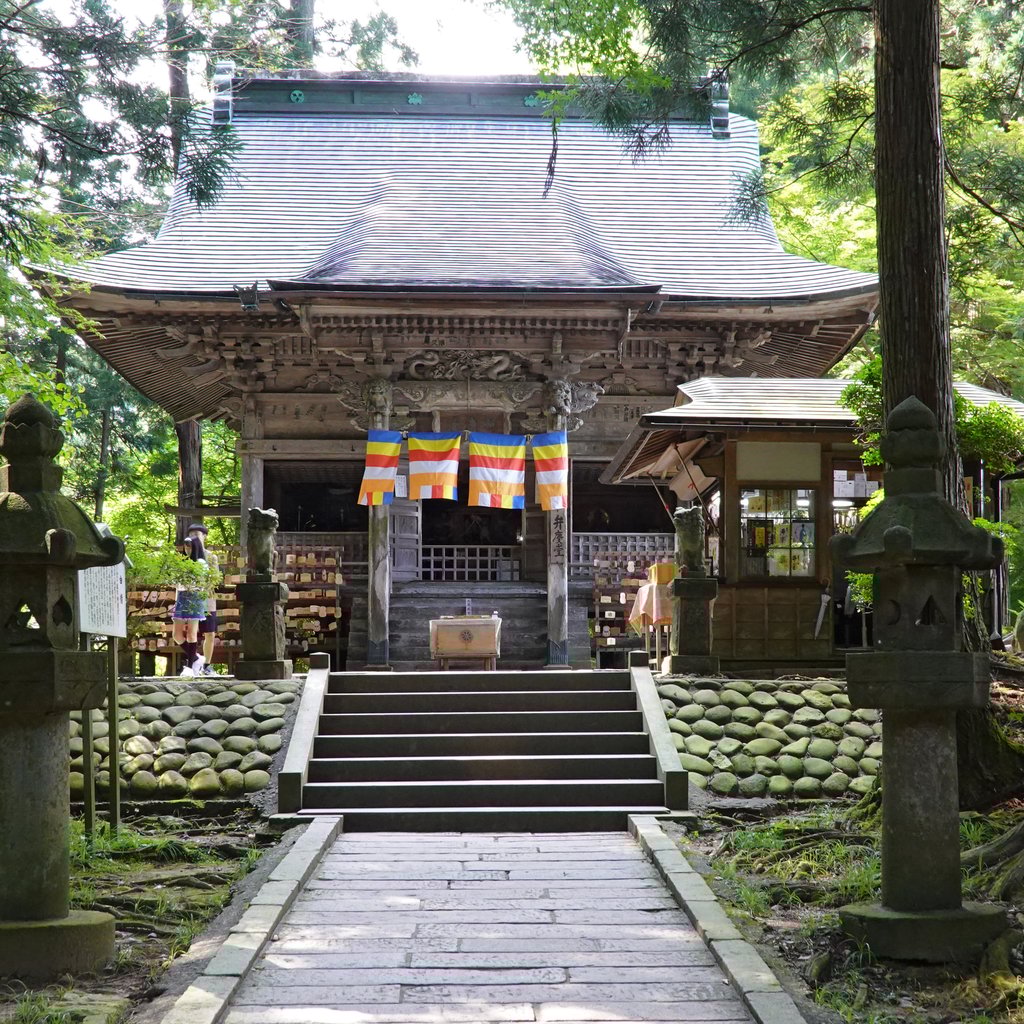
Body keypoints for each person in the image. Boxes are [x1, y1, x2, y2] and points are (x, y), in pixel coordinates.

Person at [172, 533, 208, 677]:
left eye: (190, 547)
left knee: (192, 634)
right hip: (181, 597)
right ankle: (196, 658)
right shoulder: (181, 562)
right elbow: (177, 584)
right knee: (176, 635)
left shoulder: (201, 563)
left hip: (194, 597)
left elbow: (200, 583)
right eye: (185, 547)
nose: (187, 550)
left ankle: (189, 667)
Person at [187, 523, 219, 674]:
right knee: (188, 632)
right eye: (192, 534)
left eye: (197, 534)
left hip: (207, 598)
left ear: (205, 536)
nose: (195, 537)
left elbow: (215, 578)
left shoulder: (212, 557)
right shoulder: (185, 557)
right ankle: (193, 661)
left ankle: (207, 665)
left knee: (210, 632)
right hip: (190, 598)